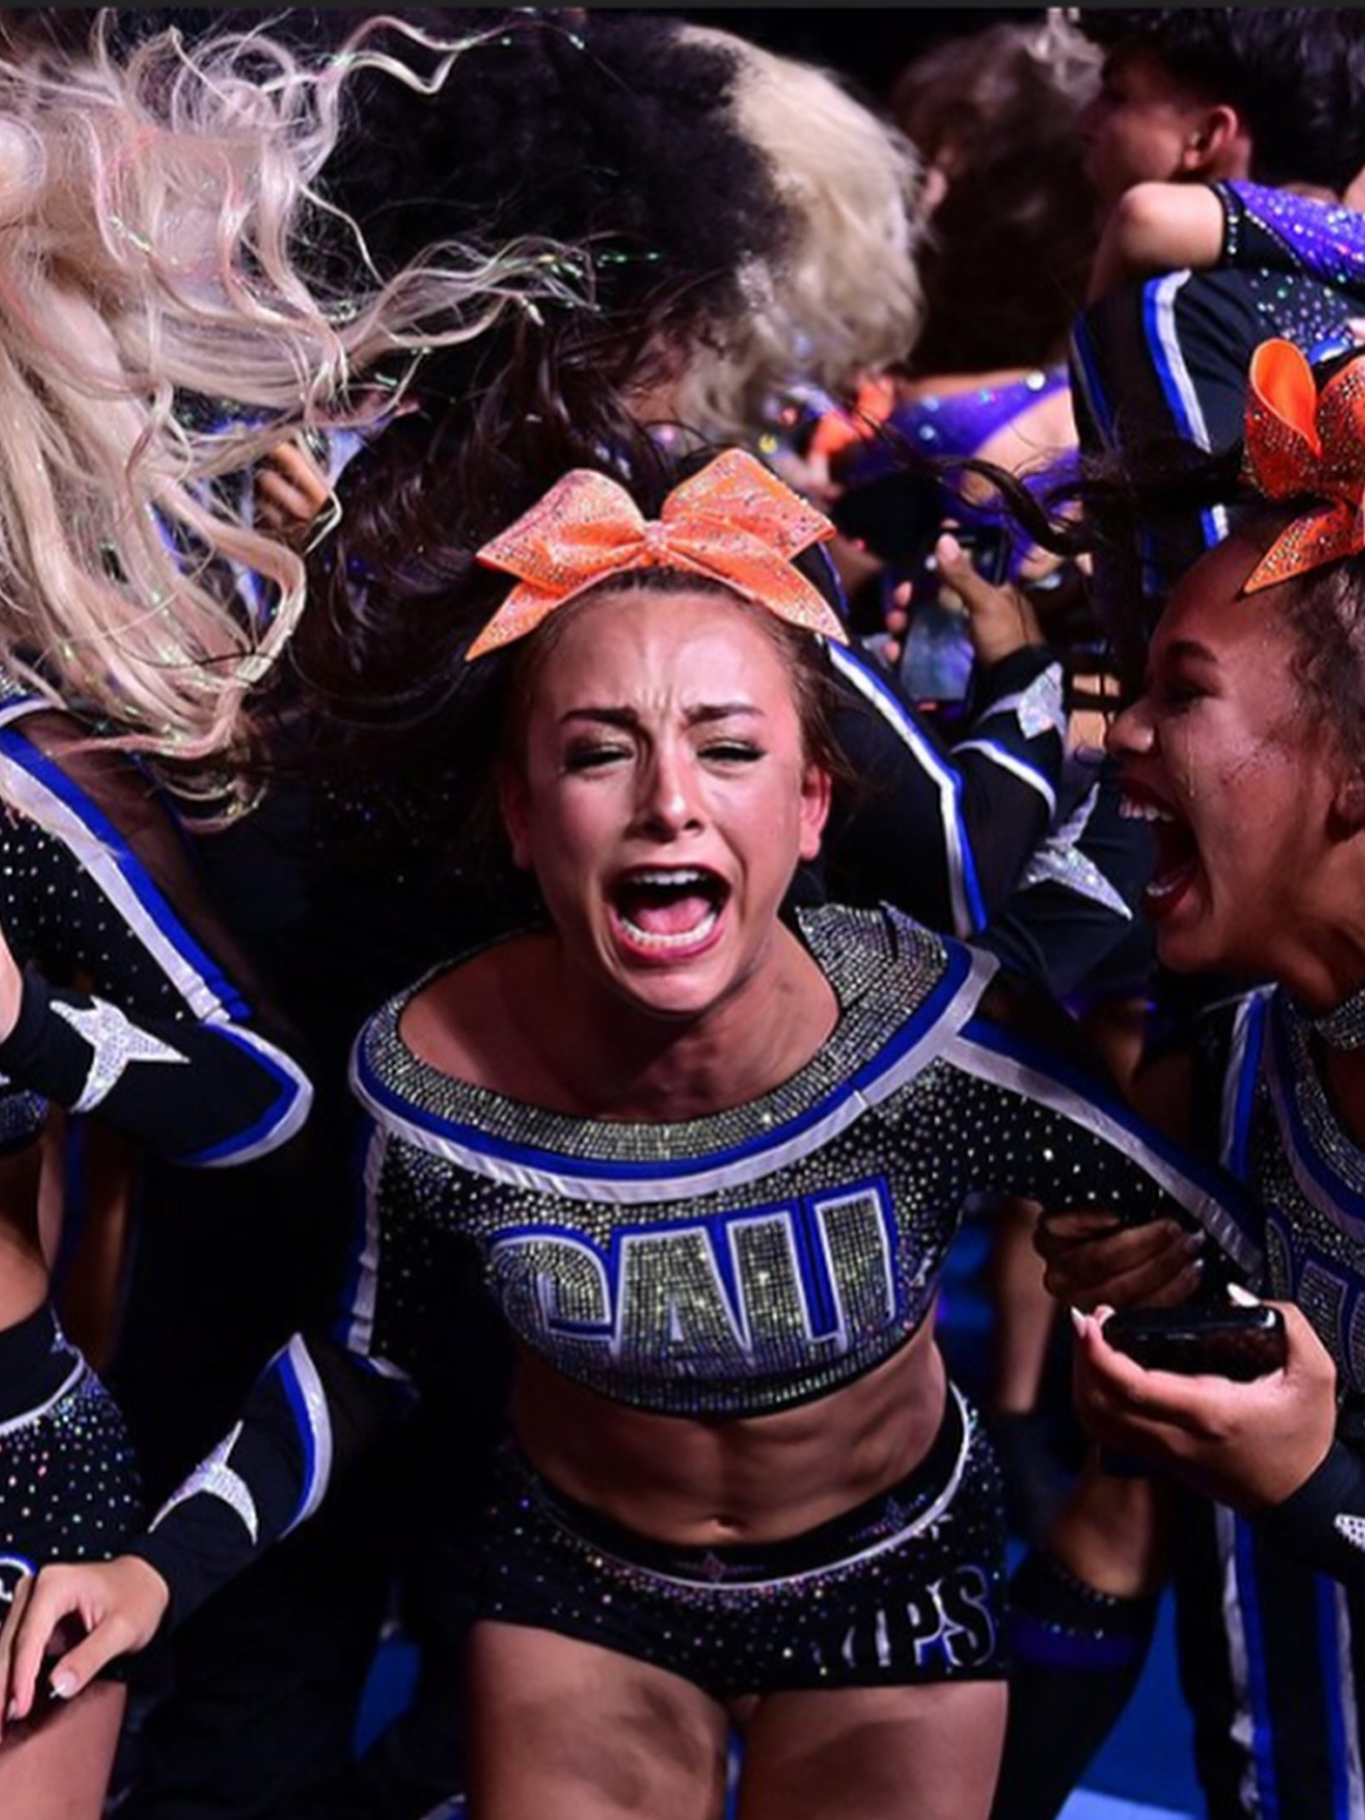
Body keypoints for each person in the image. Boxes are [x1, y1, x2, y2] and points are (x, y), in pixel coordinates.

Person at [0, 435, 1253, 1820]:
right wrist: (153, 1570)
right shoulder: (425, 1072)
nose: (670, 800)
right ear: (523, 818)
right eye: (601, 750)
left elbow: (1210, 1241)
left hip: (890, 1598)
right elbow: (366, 1365)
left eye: (729, 748)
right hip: (573, 1603)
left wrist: (1138, 1263)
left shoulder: (937, 1032)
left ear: (811, 803)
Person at [1019, 337, 1365, 1820]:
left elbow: (1306, 1490)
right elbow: (1115, 1531)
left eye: (1184, 689)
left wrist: (1317, 1485)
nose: (1127, 741)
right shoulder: (1215, 1079)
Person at [1068, 6, 1365, 666]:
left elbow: (1219, 601)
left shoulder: (1169, 310)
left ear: (1204, 137)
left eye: (1115, 94)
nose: (1083, 123)